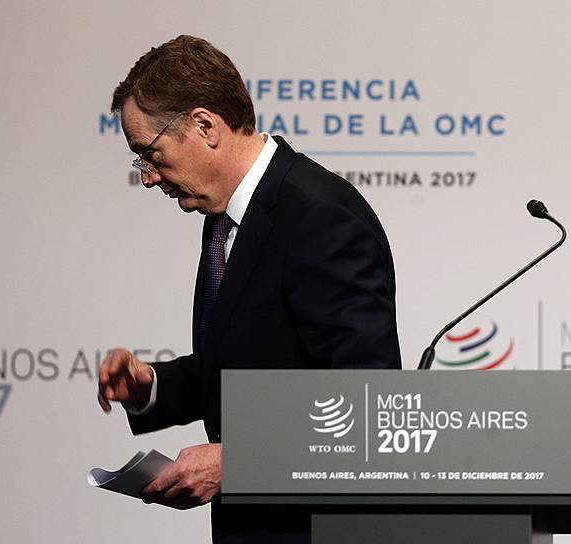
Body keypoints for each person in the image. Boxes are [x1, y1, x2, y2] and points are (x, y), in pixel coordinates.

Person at [97, 35, 402, 543]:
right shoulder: (225, 216)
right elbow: (254, 367)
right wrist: (151, 387)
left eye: (149, 154)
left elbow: (368, 402)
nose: (148, 177)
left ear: (205, 126)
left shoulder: (318, 216)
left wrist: (236, 460)